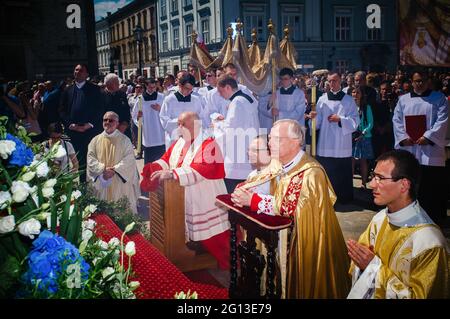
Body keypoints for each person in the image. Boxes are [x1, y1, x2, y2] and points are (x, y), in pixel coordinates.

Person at [231, 119, 351, 298]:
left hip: (304, 239)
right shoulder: (279, 162)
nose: (270, 143)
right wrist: (244, 191)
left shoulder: (311, 172)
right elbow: (260, 179)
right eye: (270, 138)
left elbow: (290, 206)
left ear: (295, 142)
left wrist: (254, 201)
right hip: (280, 236)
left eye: (275, 139)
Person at [347, 150, 449, 299]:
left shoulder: (429, 243)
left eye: (380, 178)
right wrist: (362, 264)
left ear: (404, 185)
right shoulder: (379, 219)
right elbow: (358, 264)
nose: (371, 184)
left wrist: (373, 269)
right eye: (373, 176)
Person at [140, 111, 230, 269]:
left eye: (183, 125)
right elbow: (167, 159)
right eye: (178, 124)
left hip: (206, 198)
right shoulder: (179, 143)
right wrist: (154, 168)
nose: (179, 128)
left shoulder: (209, 144)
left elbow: (201, 169)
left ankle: (227, 262)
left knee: (215, 236)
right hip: (184, 195)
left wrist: (172, 173)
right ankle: (193, 250)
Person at [392, 70, 448, 225]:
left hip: (430, 151)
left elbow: (443, 120)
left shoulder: (439, 98)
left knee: (430, 187)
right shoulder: (403, 100)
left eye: (422, 80)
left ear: (428, 81)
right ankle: (409, 217)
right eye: (416, 81)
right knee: (410, 185)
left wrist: (428, 137)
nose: (420, 84)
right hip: (410, 148)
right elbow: (396, 120)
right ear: (411, 81)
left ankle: (432, 219)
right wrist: (404, 138)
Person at [310, 72, 360, 203]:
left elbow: (355, 120)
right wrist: (313, 119)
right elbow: (318, 123)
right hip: (325, 142)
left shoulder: (348, 100)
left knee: (342, 172)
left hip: (341, 142)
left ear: (340, 82)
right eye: (330, 81)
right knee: (327, 171)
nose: (332, 84)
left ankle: (343, 198)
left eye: (335, 81)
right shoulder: (322, 99)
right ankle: (326, 197)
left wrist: (340, 120)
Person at [87, 111, 140, 214]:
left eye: (111, 120)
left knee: (122, 214)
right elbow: (90, 158)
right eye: (105, 120)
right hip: (102, 179)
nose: (107, 122)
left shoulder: (125, 140)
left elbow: (129, 159)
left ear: (117, 123)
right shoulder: (95, 140)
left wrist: (114, 169)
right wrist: (103, 169)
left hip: (119, 181)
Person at [59, 64, 105, 182]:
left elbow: (100, 109)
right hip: (73, 132)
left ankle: (96, 185)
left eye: (81, 70)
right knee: (77, 160)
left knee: (93, 158)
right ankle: (82, 185)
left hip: (90, 131)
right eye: (76, 70)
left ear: (87, 74)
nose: (78, 72)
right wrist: (70, 124)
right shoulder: (68, 90)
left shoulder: (95, 90)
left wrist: (89, 124)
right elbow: (62, 110)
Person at [215, 75, 260, 193]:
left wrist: (216, 126)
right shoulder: (247, 98)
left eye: (220, 91)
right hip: (248, 148)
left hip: (237, 154)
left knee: (234, 192)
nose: (220, 95)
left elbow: (229, 130)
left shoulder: (236, 102)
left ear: (228, 87)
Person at [159, 73, 204, 149]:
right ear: (180, 85)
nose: (189, 91)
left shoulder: (196, 100)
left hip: (192, 140)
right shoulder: (169, 100)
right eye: (187, 88)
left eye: (191, 89)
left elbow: (201, 118)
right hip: (175, 139)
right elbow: (164, 120)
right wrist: (181, 122)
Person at [132, 78, 166, 164]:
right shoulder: (140, 99)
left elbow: (167, 112)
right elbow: (134, 115)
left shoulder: (161, 97)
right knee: (149, 163)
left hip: (159, 133)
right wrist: (138, 117)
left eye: (154, 87)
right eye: (150, 87)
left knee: (161, 162)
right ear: (146, 86)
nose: (152, 89)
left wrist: (160, 109)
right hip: (148, 133)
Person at [350, 87, 374, 189]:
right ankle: (349, 183)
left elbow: (370, 123)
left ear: (362, 94)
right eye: (354, 92)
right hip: (352, 136)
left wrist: (363, 133)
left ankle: (364, 183)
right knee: (351, 160)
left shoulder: (366, 107)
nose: (355, 94)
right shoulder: (349, 107)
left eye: (358, 92)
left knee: (363, 160)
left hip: (364, 137)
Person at [103, 73, 132, 140]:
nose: (118, 84)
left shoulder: (122, 94)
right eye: (116, 82)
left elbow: (127, 111)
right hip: (108, 132)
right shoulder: (101, 96)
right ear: (109, 83)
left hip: (124, 131)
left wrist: (125, 123)